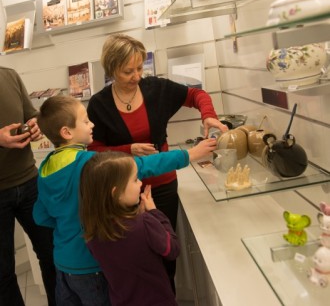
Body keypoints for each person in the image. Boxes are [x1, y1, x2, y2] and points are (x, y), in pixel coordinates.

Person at [33, 95, 216, 305]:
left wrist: (69, 220)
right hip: (92, 265)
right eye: (85, 121)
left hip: (63, 266)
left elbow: (41, 216)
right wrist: (189, 155)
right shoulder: (90, 164)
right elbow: (142, 165)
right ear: (66, 132)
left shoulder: (45, 168)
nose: (92, 124)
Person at [87, 33, 228, 291]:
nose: (137, 76)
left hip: (162, 186)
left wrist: (209, 116)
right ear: (111, 69)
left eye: (140, 68)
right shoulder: (99, 104)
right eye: (127, 71)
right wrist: (127, 149)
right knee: (131, 263)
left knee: (164, 256)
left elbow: (197, 94)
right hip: (121, 192)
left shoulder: (156, 89)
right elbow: (95, 152)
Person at [80, 151, 180, 306]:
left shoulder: (92, 231)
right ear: (116, 193)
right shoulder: (146, 223)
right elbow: (172, 249)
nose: (140, 182)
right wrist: (154, 212)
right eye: (134, 179)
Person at [0, 66, 56, 306]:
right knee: (2, 272)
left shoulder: (9, 75)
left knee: (52, 254)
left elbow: (31, 114)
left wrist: (34, 124)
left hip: (29, 181)